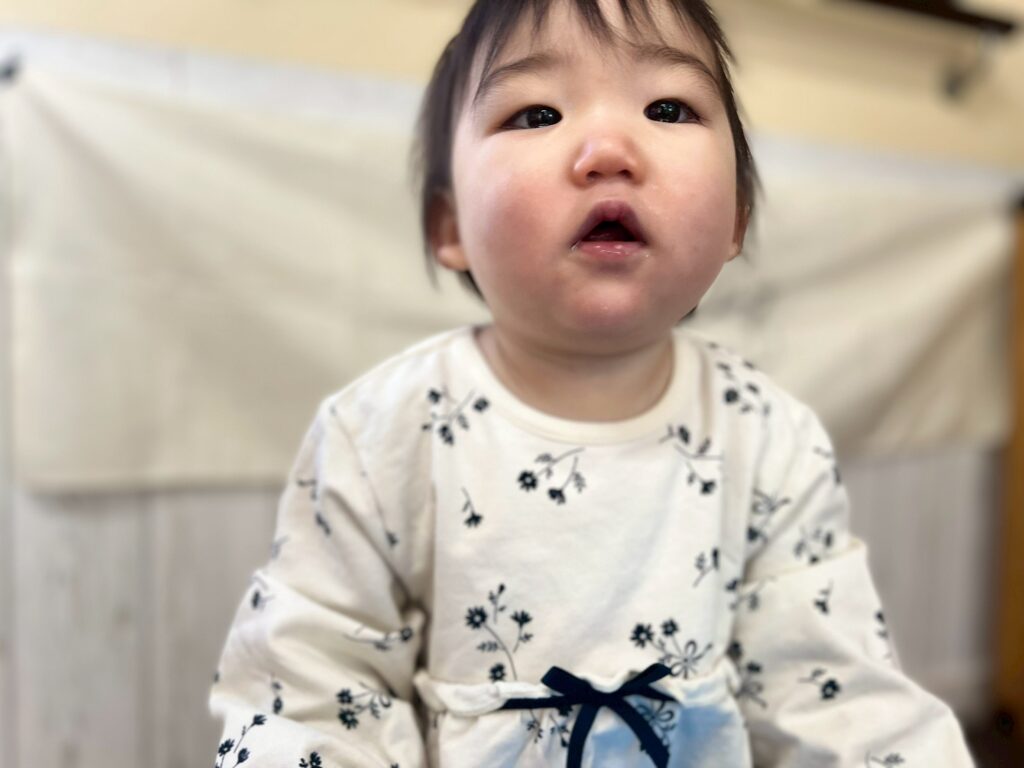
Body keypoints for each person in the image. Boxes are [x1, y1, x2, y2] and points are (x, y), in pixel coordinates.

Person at [208, 0, 977, 765]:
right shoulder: (383, 433)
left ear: (736, 217)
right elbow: (306, 695)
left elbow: (839, 698)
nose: (609, 150)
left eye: (667, 108)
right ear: (451, 225)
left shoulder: (769, 439)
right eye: (537, 113)